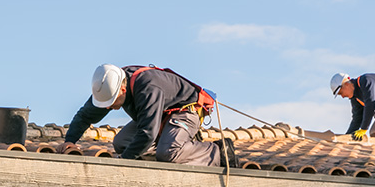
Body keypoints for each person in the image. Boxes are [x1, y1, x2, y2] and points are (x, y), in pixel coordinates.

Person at [58, 64, 239, 168]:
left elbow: (147, 133)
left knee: (169, 153)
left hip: (185, 111)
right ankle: (164, 150)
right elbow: (85, 116)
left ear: (122, 90)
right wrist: (70, 141)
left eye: (111, 103)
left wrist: (123, 163)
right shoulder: (108, 88)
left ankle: (217, 152)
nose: (110, 108)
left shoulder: (147, 88)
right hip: (159, 115)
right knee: (121, 143)